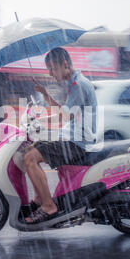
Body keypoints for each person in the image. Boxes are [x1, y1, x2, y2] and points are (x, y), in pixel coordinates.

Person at [24, 47, 97, 224]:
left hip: (77, 143)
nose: (50, 73)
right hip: (71, 137)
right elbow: (63, 111)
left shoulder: (78, 85)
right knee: (30, 150)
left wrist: (38, 122)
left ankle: (48, 206)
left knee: (29, 158)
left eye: (52, 68)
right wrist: (44, 94)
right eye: (48, 69)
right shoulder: (73, 82)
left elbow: (64, 116)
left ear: (65, 65)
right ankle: (39, 199)